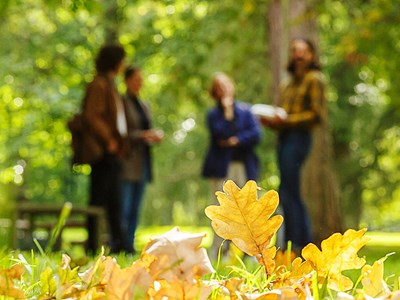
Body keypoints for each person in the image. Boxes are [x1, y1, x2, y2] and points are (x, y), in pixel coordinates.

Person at [261, 38, 326, 250]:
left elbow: (316, 115)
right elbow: (281, 113)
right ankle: (289, 243)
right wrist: (270, 121)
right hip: (284, 137)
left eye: (303, 51)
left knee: (292, 191)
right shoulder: (287, 83)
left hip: (299, 137)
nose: (298, 55)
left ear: (311, 55)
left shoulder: (314, 79)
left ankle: (301, 243)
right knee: (286, 190)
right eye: (294, 51)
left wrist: (287, 120)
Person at [202, 72, 261, 259]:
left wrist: (237, 140)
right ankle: (220, 252)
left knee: (247, 210)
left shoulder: (245, 111)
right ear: (215, 93)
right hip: (221, 168)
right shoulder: (213, 115)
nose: (223, 90)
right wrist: (227, 114)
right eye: (219, 88)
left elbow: (256, 134)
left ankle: (250, 253)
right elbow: (220, 134)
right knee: (221, 210)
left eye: (226, 85)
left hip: (244, 166)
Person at [83, 44, 130, 254]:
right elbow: (92, 116)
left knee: (115, 201)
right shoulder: (99, 85)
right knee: (98, 200)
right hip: (103, 153)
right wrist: (108, 138)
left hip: (113, 153)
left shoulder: (110, 85)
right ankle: (92, 246)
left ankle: (119, 245)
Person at [120, 66, 163, 254]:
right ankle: (120, 243)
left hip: (143, 163)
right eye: (136, 79)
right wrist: (142, 135)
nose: (140, 83)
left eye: (141, 79)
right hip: (127, 163)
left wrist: (154, 136)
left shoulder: (144, 105)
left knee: (136, 207)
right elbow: (121, 133)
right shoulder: (121, 103)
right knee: (125, 206)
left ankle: (130, 243)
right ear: (127, 80)